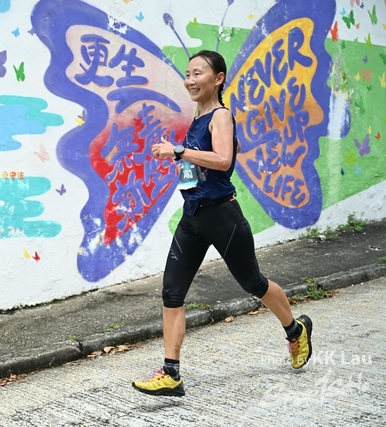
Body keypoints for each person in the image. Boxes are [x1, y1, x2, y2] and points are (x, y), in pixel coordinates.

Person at [132, 50, 313, 397]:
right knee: (172, 292)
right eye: (188, 74)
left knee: (253, 282)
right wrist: (184, 162)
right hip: (193, 217)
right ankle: (171, 373)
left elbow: (223, 159)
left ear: (218, 79)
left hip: (222, 216)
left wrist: (179, 152)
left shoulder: (221, 116)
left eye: (198, 73)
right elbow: (207, 162)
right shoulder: (198, 118)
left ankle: (295, 330)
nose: (190, 80)